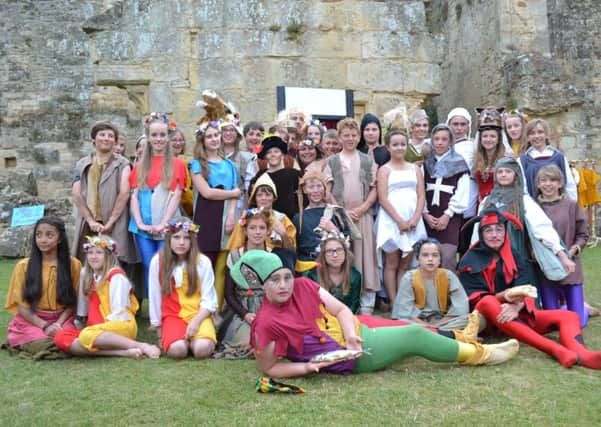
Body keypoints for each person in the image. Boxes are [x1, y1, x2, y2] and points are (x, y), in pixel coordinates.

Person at [231, 249, 518, 378]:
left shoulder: (304, 284)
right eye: (274, 281)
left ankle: (465, 340)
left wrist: (354, 334)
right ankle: (481, 356)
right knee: (413, 334)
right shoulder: (266, 324)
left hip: (356, 333)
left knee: (403, 328)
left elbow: (341, 309)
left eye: (285, 277)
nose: (283, 285)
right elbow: (269, 368)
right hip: (347, 357)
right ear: (260, 286)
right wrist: (306, 368)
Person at [458, 208, 601, 369]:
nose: (494, 235)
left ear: (505, 232)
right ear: (481, 234)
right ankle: (555, 349)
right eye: (488, 230)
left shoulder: (515, 255)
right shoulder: (469, 260)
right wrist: (504, 296)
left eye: (499, 229)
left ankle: (583, 354)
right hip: (486, 319)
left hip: (515, 313)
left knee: (569, 316)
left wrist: (517, 305)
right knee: (488, 301)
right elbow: (474, 301)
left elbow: (526, 287)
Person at [54, 235, 160, 359]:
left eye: (99, 253)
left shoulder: (116, 277)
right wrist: (85, 324)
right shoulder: (86, 274)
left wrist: (99, 330)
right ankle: (121, 352)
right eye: (90, 253)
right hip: (96, 329)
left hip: (119, 325)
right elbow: (83, 308)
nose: (93, 257)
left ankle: (141, 346)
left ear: (108, 255)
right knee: (60, 338)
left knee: (86, 336)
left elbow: (118, 312)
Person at [477, 157, 573, 287]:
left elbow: (542, 228)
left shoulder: (523, 200)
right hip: (491, 258)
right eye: (500, 172)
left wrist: (561, 254)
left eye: (508, 171)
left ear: (516, 175)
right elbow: (477, 230)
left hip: (517, 256)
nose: (504, 174)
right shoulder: (487, 201)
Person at [71, 121, 140, 299]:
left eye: (111, 136)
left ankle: (120, 303)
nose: (106, 138)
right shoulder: (82, 164)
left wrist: (110, 222)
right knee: (88, 262)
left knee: (117, 262)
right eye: (102, 134)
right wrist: (91, 220)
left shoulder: (123, 163)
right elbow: (77, 194)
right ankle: (87, 306)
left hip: (115, 221)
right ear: (94, 138)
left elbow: (124, 193)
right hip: (89, 222)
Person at [325, 118, 380, 314]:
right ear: (339, 137)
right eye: (346, 135)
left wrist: (364, 207)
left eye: (354, 135)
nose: (350, 139)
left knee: (365, 256)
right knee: (343, 255)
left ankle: (367, 300)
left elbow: (375, 188)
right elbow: (327, 189)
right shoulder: (332, 161)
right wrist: (342, 210)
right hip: (341, 216)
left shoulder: (367, 160)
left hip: (362, 215)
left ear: (359, 137)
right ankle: (343, 298)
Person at [129, 113, 187, 295]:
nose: (159, 139)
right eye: (154, 135)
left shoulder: (177, 164)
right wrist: (139, 222)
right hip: (143, 226)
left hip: (166, 224)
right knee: (149, 264)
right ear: (148, 137)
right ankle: (152, 308)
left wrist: (164, 223)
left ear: (168, 137)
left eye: (162, 135)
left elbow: (176, 195)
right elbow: (134, 196)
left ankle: (167, 303)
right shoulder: (140, 166)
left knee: (164, 263)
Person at [5, 217, 80, 354]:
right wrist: (45, 326)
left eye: (49, 235)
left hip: (62, 320)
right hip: (33, 321)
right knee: (45, 342)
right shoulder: (23, 266)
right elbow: (22, 308)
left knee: (68, 338)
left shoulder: (73, 265)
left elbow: (73, 302)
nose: (42, 240)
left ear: (60, 239)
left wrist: (58, 324)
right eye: (38, 235)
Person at [148, 218, 217, 359]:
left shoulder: (202, 262)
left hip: (198, 314)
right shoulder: (158, 261)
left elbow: (209, 299)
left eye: (186, 238)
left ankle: (196, 340)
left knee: (202, 350)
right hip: (173, 316)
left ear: (192, 240)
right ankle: (183, 341)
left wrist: (196, 322)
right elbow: (154, 295)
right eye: (176, 237)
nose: (181, 242)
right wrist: (159, 329)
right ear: (168, 239)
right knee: (177, 351)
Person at [190, 121, 240, 310]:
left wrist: (232, 215)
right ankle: (200, 306)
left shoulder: (230, 164)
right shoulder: (197, 165)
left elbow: (235, 190)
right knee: (205, 263)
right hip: (207, 216)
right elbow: (207, 193)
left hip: (226, 217)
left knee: (221, 266)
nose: (214, 139)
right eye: (209, 136)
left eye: (216, 135)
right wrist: (233, 194)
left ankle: (217, 309)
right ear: (203, 140)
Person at [375, 129, 427, 303]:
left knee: (405, 263)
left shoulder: (415, 169)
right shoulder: (384, 170)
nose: (399, 148)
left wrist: (415, 218)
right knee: (392, 262)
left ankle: (403, 301)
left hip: (412, 220)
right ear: (388, 147)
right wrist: (398, 221)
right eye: (395, 145)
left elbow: (421, 195)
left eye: (403, 144)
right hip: (392, 220)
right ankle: (393, 301)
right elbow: (382, 198)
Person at [535, 165, 589, 327]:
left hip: (570, 268)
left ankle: (583, 309)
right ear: (538, 184)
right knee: (553, 324)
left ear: (560, 184)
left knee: (578, 323)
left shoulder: (571, 205)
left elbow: (583, 235)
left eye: (553, 180)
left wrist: (572, 250)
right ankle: (564, 309)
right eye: (543, 180)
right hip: (547, 270)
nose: (548, 184)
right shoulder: (534, 208)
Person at [217, 208, 272, 358]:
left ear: (268, 231)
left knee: (269, 342)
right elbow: (229, 293)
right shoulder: (235, 256)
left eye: (262, 228)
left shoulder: (272, 256)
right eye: (252, 228)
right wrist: (245, 314)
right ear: (246, 231)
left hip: (267, 308)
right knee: (249, 343)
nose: (257, 232)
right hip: (242, 309)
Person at [392, 238, 470, 330]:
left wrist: (436, 325)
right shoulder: (409, 278)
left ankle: (432, 332)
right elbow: (404, 312)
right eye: (425, 255)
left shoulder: (448, 276)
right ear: (418, 259)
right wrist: (426, 326)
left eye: (435, 255)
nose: (430, 259)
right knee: (403, 323)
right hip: (417, 322)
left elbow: (460, 307)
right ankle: (443, 334)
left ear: (440, 259)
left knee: (472, 319)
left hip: (443, 321)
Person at [422, 124, 470, 270]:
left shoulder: (459, 164)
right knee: (428, 260)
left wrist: (447, 215)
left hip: (449, 219)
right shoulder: (425, 164)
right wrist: (425, 214)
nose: (439, 142)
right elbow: (420, 191)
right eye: (436, 139)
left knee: (448, 258)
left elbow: (462, 192)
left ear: (450, 142)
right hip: (429, 218)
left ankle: (448, 292)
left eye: (444, 139)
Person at [229, 173, 296, 250]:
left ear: (274, 198)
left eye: (268, 195)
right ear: (255, 198)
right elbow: (234, 247)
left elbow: (291, 254)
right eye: (259, 195)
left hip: (276, 260)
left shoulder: (283, 219)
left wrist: (283, 235)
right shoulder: (246, 217)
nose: (263, 198)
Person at [293, 169, 348, 261]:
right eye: (311, 187)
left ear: (325, 188)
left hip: (334, 261)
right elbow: (296, 248)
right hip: (309, 265)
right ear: (304, 189)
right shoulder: (299, 218)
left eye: (319, 186)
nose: (316, 191)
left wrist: (333, 230)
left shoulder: (337, 213)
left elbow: (347, 243)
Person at [518, 118, 577, 200]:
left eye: (540, 132)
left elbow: (569, 184)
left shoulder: (559, 157)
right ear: (527, 137)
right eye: (532, 133)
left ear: (546, 135)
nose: (536, 136)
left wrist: (571, 206)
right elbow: (523, 189)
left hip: (558, 207)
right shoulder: (522, 161)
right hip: (534, 207)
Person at [303, 232, 361, 314]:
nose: (335, 255)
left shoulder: (354, 275)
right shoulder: (313, 275)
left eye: (339, 250)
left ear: (345, 252)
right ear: (323, 254)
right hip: (322, 319)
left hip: (348, 317)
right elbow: (312, 305)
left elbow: (354, 306)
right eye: (330, 251)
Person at [250, 134, 301, 219]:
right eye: (269, 152)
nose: (273, 155)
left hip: (289, 218)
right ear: (265, 156)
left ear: (282, 154)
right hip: (265, 218)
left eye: (276, 151)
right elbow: (253, 199)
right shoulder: (260, 176)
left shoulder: (293, 174)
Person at [220, 114, 256, 220]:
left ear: (238, 134)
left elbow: (247, 189)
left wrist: (245, 212)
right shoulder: (212, 157)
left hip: (237, 206)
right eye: (225, 130)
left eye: (232, 130)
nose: (228, 133)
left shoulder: (246, 158)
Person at [472, 110, 507, 204]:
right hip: (480, 204)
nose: (488, 139)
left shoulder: (505, 160)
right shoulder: (476, 159)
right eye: (485, 136)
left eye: (492, 136)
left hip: (499, 204)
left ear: (498, 139)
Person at [170, 127, 194, 217]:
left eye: (181, 140)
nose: (178, 143)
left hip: (186, 210)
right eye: (174, 140)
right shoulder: (167, 164)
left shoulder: (185, 164)